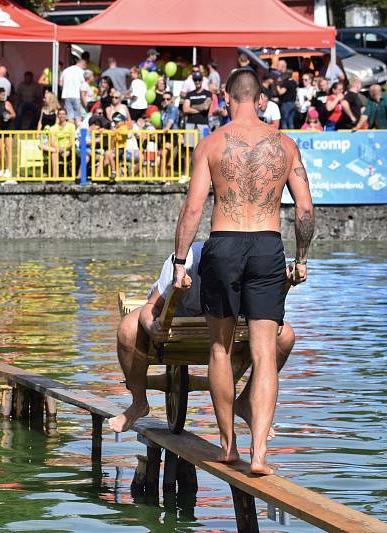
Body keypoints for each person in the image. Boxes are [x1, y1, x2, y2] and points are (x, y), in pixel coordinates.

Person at [171, 69, 314, 475]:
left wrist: (181, 263)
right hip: (268, 245)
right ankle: (260, 456)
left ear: (226, 97)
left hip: (224, 244)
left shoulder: (212, 144)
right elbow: (304, 209)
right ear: (260, 99)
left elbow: (194, 208)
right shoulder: (285, 146)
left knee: (220, 347)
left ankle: (228, 447)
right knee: (265, 353)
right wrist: (301, 258)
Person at [108, 241, 297, 434]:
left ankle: (246, 401)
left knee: (286, 336)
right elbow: (150, 308)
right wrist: (152, 327)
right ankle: (139, 403)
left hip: (227, 333)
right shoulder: (187, 260)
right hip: (176, 325)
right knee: (128, 328)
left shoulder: (250, 263)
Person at [46, 109, 76, 178]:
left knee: (54, 153)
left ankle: (54, 177)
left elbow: (71, 142)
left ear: (66, 116)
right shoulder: (53, 128)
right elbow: (52, 142)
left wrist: (64, 148)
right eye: (60, 114)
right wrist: (58, 149)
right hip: (56, 148)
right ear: (57, 116)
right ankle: (54, 177)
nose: (61, 116)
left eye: (63, 114)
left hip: (67, 149)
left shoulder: (71, 126)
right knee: (53, 152)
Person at [182, 72, 211, 138]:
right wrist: (200, 108)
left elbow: (206, 107)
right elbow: (185, 109)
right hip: (190, 124)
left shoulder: (207, 93)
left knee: (203, 146)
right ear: (193, 80)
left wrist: (192, 106)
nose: (197, 81)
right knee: (189, 147)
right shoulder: (189, 94)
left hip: (203, 124)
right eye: (195, 80)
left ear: (202, 80)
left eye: (199, 79)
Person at [60, 56, 87, 122]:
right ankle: (77, 131)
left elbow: (60, 84)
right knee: (78, 116)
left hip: (66, 95)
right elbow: (83, 86)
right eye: (85, 67)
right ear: (83, 64)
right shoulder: (81, 72)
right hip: (76, 96)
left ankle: (71, 131)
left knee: (69, 116)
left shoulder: (65, 70)